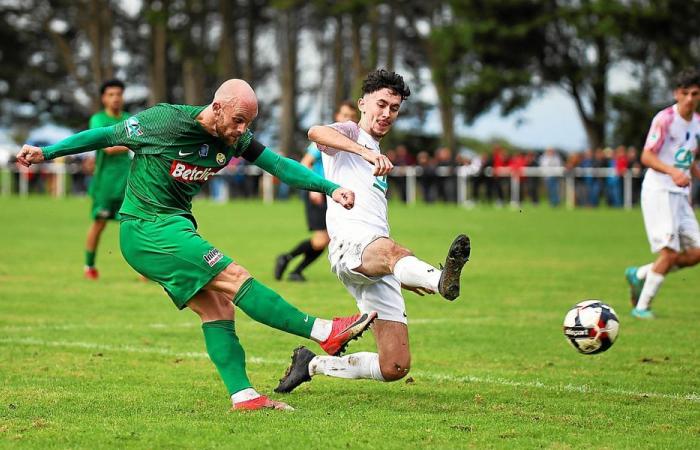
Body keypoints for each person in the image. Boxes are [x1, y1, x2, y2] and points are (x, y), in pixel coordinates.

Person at [16, 79, 377, 411]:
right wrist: (45, 153)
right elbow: (104, 135)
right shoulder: (163, 121)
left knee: (218, 307)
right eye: (238, 120)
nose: (242, 131)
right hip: (146, 228)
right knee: (235, 276)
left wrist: (330, 188)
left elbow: (279, 165)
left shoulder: (234, 136)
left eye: (248, 123)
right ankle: (324, 332)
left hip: (173, 226)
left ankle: (244, 396)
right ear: (217, 107)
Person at [274, 69, 470, 393]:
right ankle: (440, 280)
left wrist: (407, 276)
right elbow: (315, 132)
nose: (386, 113)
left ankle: (311, 364)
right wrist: (364, 151)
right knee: (394, 250)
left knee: (394, 365)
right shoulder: (350, 133)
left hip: (377, 258)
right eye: (381, 104)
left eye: (394, 108)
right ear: (363, 103)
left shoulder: (381, 154)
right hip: (351, 247)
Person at [625, 69, 700, 319]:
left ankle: (641, 274)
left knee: (696, 253)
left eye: (695, 93)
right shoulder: (665, 119)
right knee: (668, 253)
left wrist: (693, 171)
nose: (690, 98)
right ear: (676, 94)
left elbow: (686, 156)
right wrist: (672, 172)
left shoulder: (698, 123)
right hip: (660, 191)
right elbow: (647, 155)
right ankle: (642, 307)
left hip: (680, 195)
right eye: (685, 93)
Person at [275, 101, 359, 282]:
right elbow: (305, 163)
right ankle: (289, 261)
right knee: (323, 237)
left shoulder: (351, 142)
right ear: (337, 117)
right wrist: (314, 189)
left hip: (333, 195)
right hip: (318, 192)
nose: (348, 120)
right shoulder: (326, 138)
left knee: (327, 238)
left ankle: (294, 268)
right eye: (345, 115)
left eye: (352, 117)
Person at [83, 79, 132, 279]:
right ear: (104, 98)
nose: (115, 99)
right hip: (105, 184)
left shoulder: (129, 118)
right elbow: (108, 148)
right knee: (99, 224)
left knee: (133, 227)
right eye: (111, 94)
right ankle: (89, 267)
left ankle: (145, 271)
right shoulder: (98, 120)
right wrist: (131, 143)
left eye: (118, 94)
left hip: (128, 184)